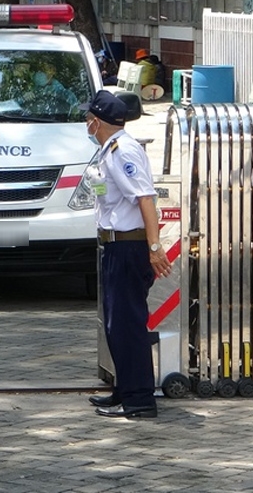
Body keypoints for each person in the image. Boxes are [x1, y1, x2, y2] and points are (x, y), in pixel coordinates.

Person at [82, 90, 171, 418]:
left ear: (97, 121)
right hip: (115, 246)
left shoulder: (123, 151)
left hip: (129, 247)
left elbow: (145, 198)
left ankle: (139, 401)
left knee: (127, 325)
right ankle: (125, 389)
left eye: (88, 119)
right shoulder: (109, 150)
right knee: (115, 324)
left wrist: (154, 246)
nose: (86, 124)